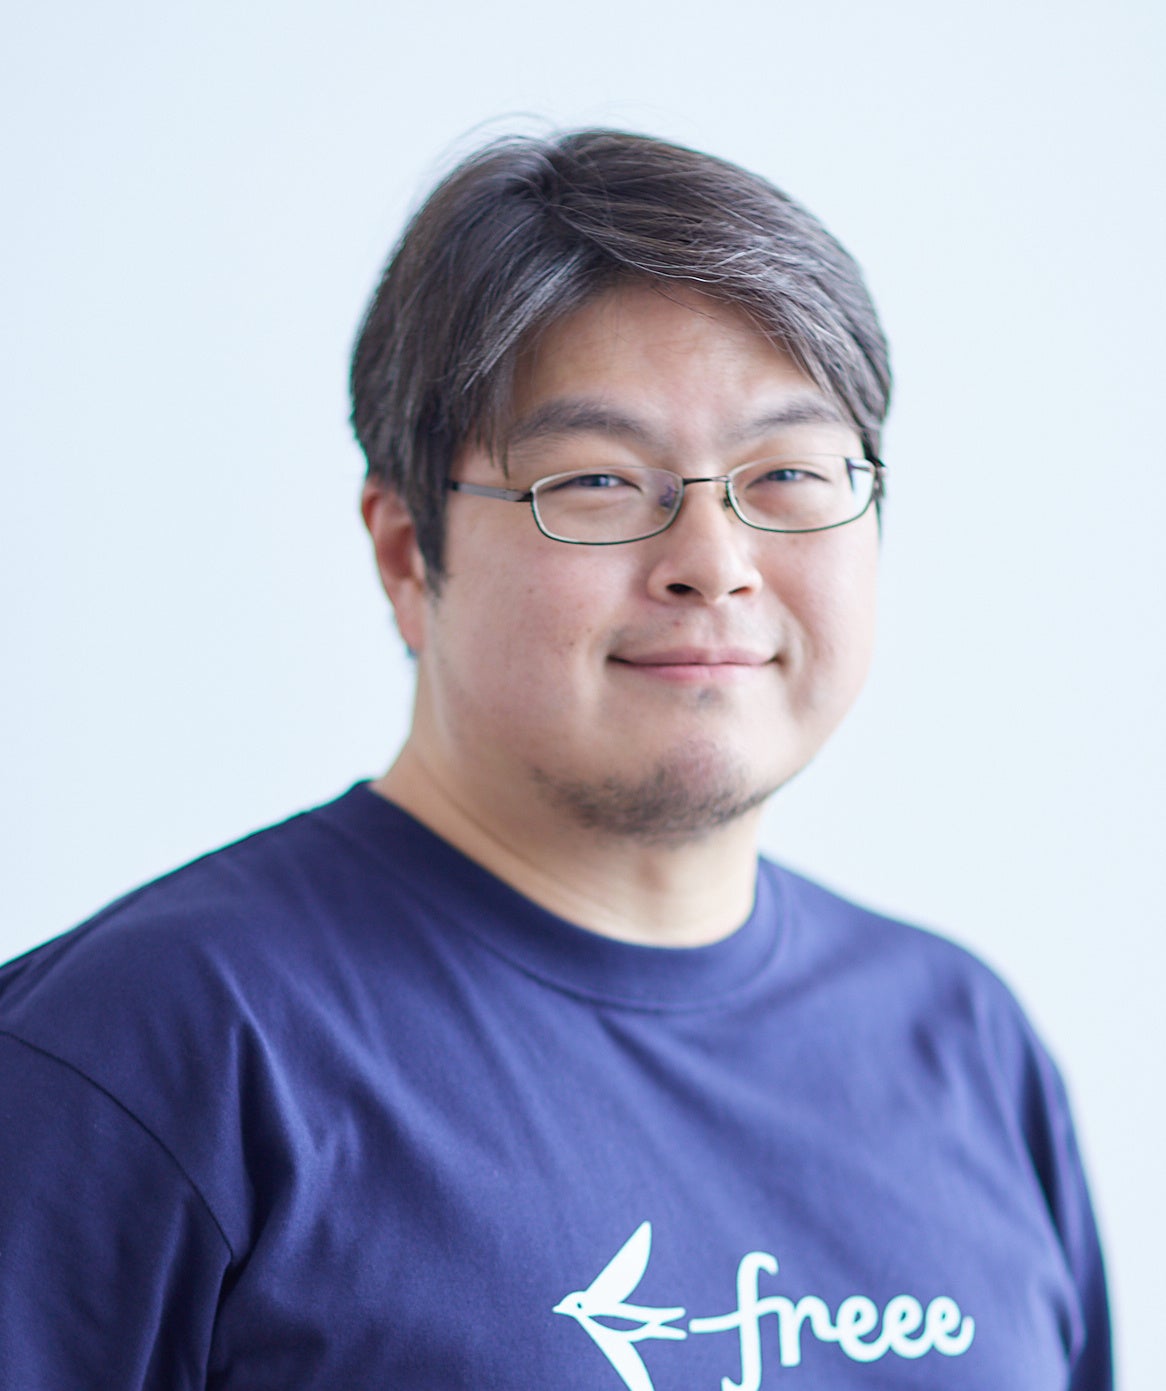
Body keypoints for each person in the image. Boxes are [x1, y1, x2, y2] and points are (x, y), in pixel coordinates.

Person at [0, 130, 1110, 1390]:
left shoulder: (962, 1047)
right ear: (405, 551)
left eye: (788, 474)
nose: (713, 560)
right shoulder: (142, 1053)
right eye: (596, 481)